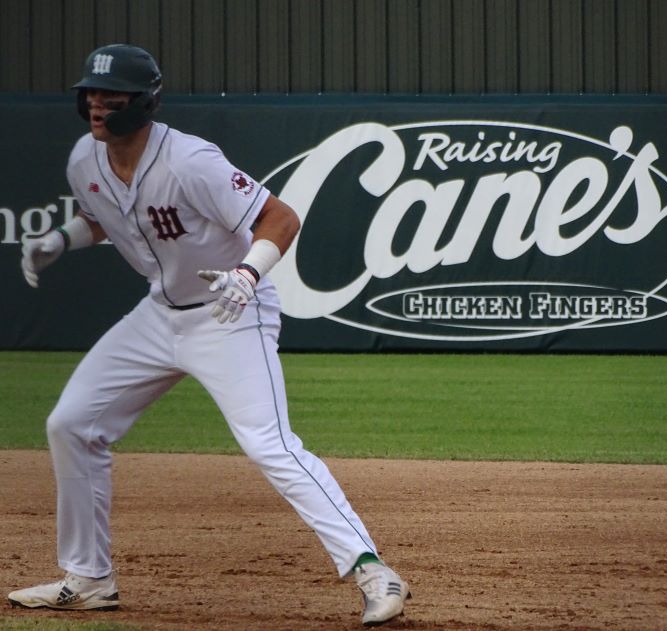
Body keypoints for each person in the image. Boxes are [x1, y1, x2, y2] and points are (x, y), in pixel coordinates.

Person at [9, 43, 410, 627]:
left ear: (144, 100)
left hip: (229, 310)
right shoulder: (84, 159)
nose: (97, 103)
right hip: (159, 313)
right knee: (71, 424)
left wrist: (248, 274)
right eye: (91, 92)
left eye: (111, 93)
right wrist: (62, 239)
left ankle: (375, 570)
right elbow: (108, 216)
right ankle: (89, 578)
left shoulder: (190, 160)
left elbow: (282, 217)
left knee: (267, 442)